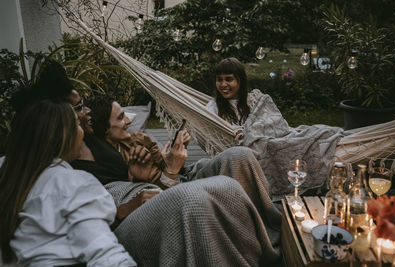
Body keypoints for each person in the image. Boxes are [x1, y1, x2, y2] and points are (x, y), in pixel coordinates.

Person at [20, 59, 282, 266]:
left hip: (145, 189)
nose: (86, 111)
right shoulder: (55, 166)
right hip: (128, 209)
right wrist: (155, 180)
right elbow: (79, 220)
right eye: (78, 108)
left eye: (85, 105)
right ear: (57, 116)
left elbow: (135, 169)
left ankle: (266, 239)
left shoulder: (94, 137)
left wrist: (145, 172)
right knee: (198, 198)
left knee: (240, 156)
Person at [0, 98, 136, 266]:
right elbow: (106, 256)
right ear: (64, 136)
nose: (83, 132)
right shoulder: (74, 183)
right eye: (78, 124)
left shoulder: (7, 172)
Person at [206, 57, 347, 201]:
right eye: (219, 79)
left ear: (240, 81)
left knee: (318, 135)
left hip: (277, 136)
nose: (223, 84)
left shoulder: (254, 100)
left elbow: (273, 122)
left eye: (229, 79)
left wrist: (252, 131)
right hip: (251, 150)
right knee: (287, 147)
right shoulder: (213, 108)